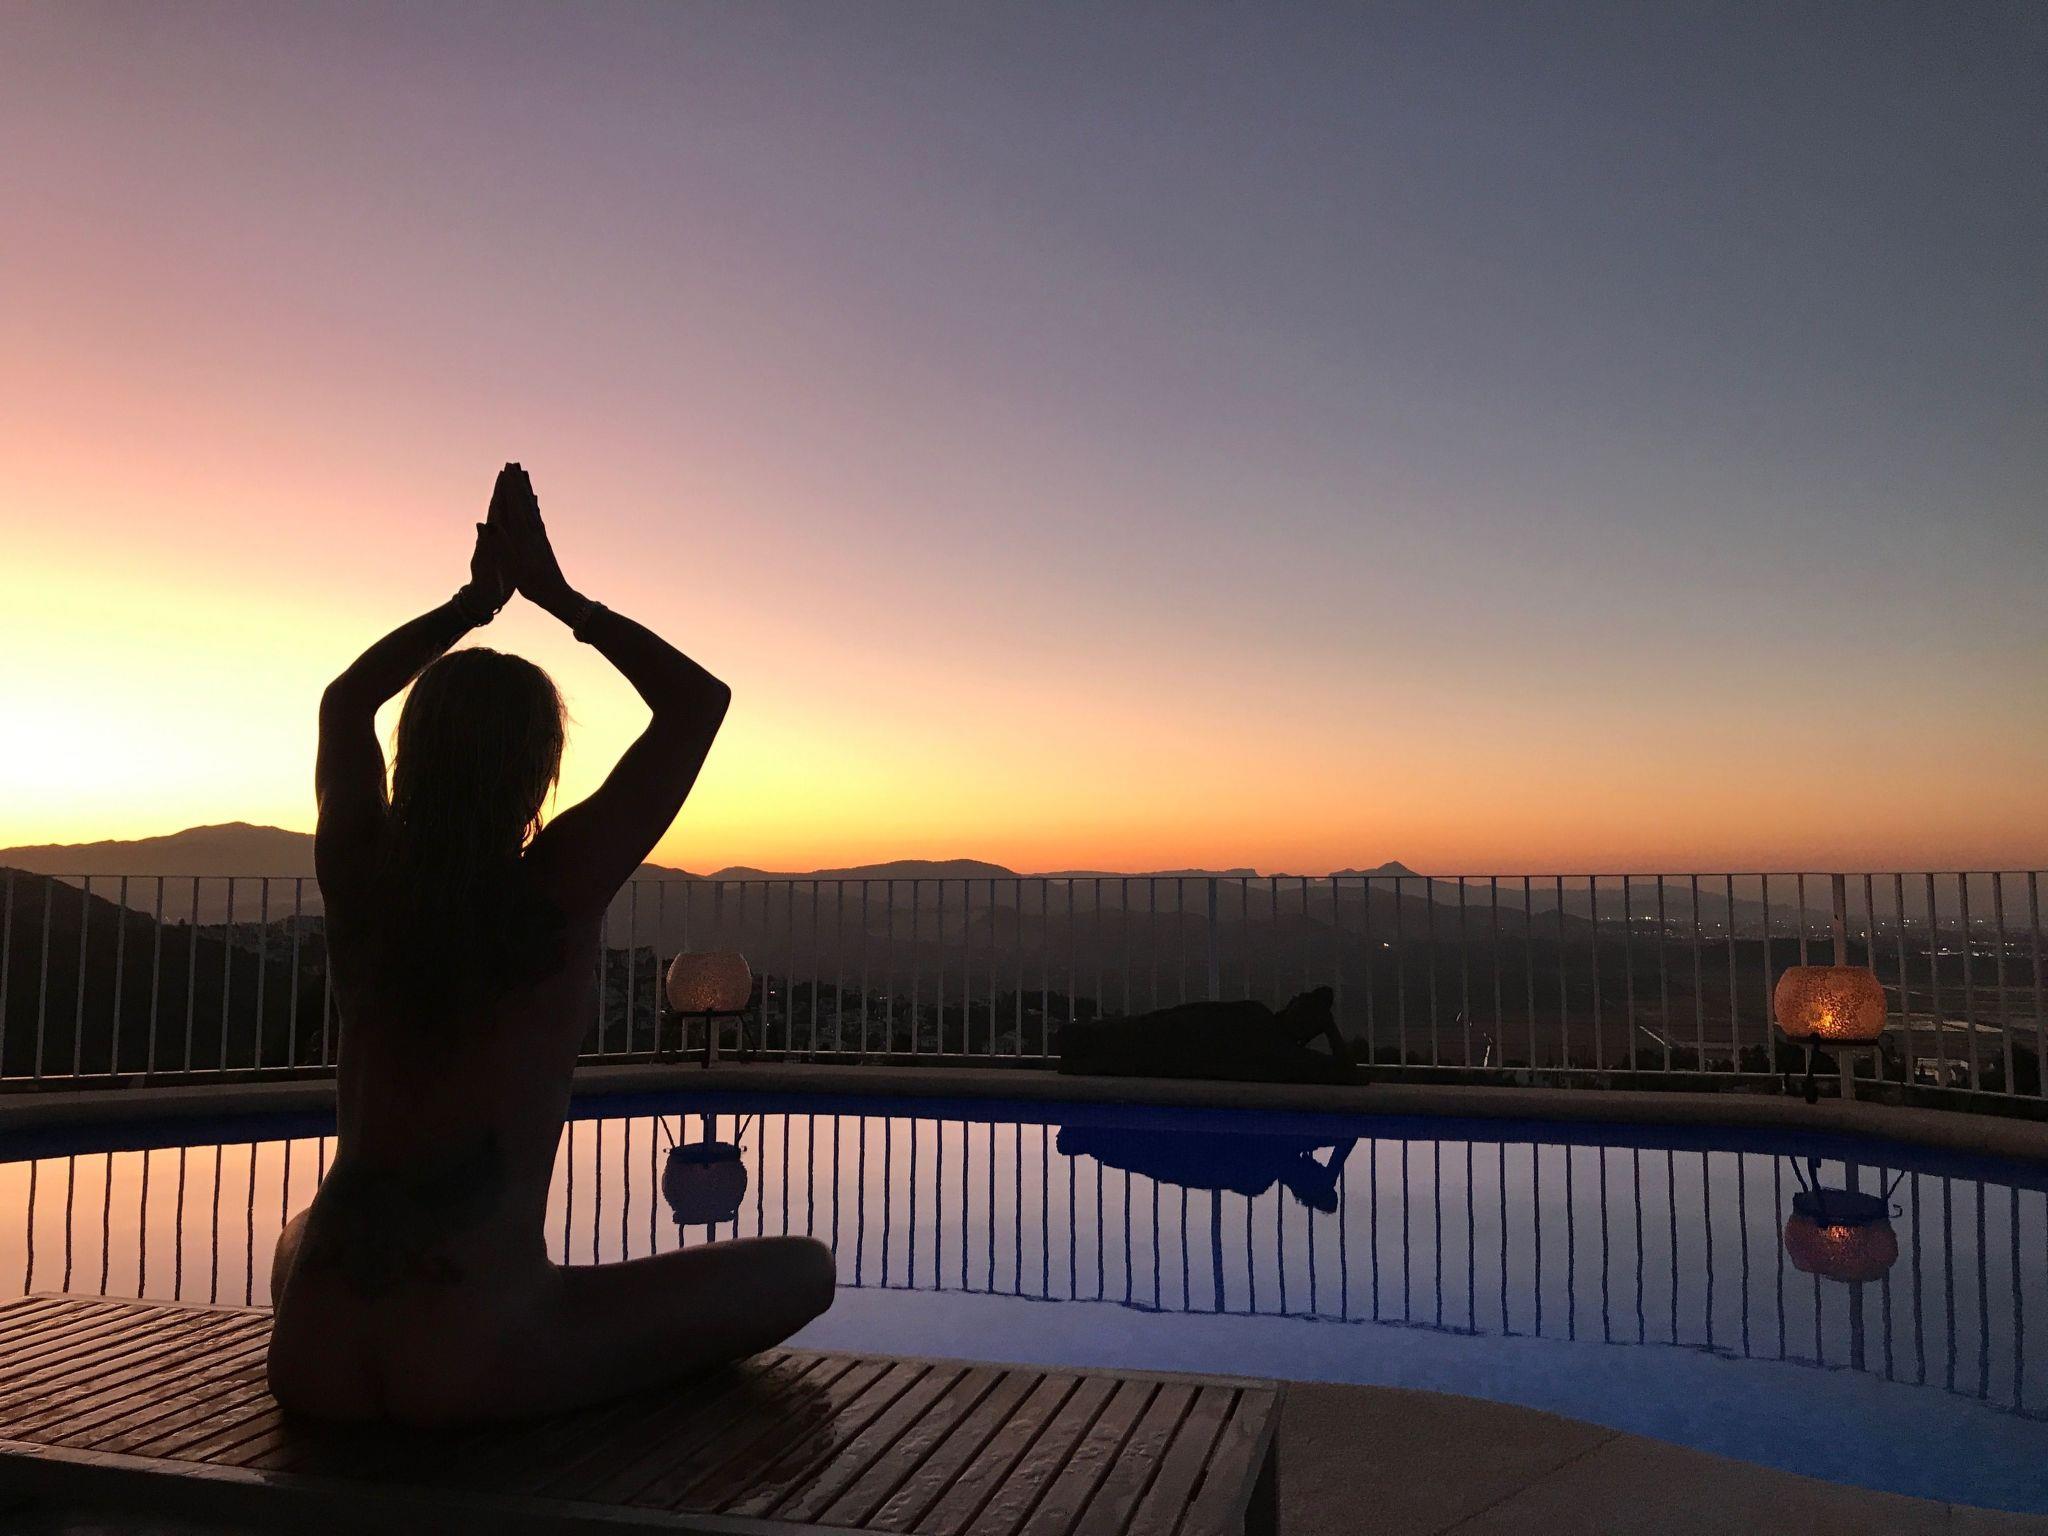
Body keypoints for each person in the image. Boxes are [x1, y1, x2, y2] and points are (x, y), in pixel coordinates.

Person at [267, 464, 834, 1424]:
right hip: (475, 1353)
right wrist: (559, 598)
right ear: (538, 770)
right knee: (803, 1271)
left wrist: (471, 604)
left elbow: (345, 700)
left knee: (300, 1231)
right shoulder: (556, 885)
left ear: (411, 753)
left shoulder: (359, 877)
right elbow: (698, 702)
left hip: (312, 1354)